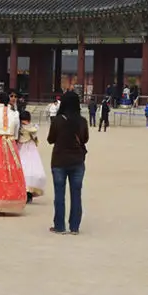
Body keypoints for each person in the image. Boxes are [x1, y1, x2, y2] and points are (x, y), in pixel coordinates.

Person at [47, 90, 89, 234]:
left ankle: (59, 226)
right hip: (77, 161)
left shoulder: (58, 120)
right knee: (76, 194)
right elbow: (85, 139)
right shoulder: (82, 121)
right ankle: (74, 227)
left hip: (59, 160)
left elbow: (50, 139)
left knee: (59, 194)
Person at [17, 110, 46, 203]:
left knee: (30, 170)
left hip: (29, 150)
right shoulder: (19, 128)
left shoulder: (31, 127)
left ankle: (28, 194)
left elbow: (34, 131)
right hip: (21, 149)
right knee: (23, 169)